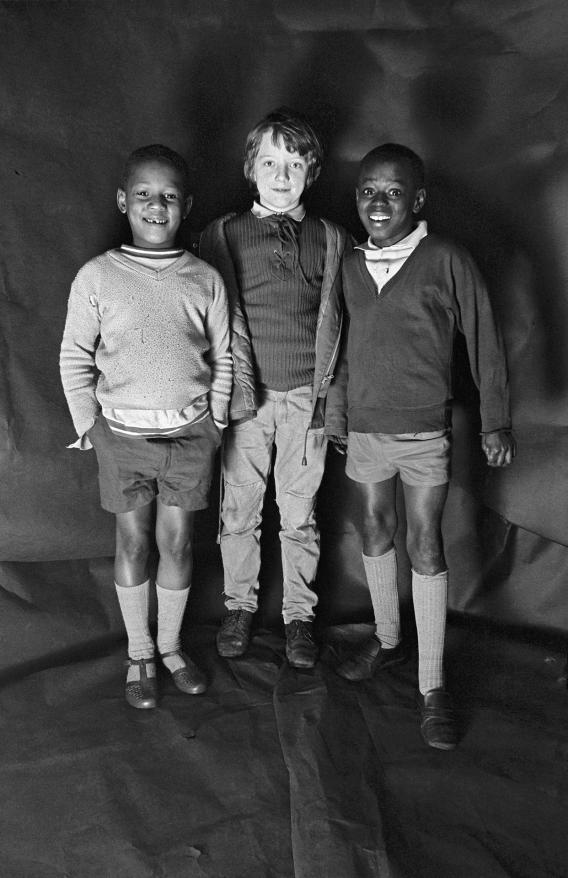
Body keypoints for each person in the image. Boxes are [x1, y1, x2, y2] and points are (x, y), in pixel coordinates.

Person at [327, 143, 516, 748]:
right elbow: (338, 346)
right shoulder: (349, 265)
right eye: (367, 191)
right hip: (364, 426)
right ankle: (387, 638)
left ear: (419, 199)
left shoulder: (445, 259)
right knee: (376, 530)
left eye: (393, 191)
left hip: (424, 430)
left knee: (424, 539)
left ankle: (432, 684)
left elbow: (484, 337)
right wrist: (335, 412)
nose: (378, 202)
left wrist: (495, 421)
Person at [60, 144, 231, 709]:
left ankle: (170, 645)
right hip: (122, 438)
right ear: (122, 202)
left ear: (186, 207)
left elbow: (226, 357)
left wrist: (218, 421)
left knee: (177, 542)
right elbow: (74, 355)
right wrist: (90, 423)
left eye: (169, 197)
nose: (155, 206)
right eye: (143, 195)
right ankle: (139, 652)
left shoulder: (203, 278)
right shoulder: (98, 276)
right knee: (132, 541)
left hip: (189, 436)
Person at [199, 108, 349, 669]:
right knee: (238, 508)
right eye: (269, 162)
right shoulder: (223, 234)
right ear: (250, 168)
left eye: (293, 163)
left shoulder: (332, 238)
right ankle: (239, 606)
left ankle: (299, 617)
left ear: (311, 170)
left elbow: (345, 323)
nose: (280, 175)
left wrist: (332, 401)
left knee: (299, 512)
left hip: (305, 402)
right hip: (246, 399)